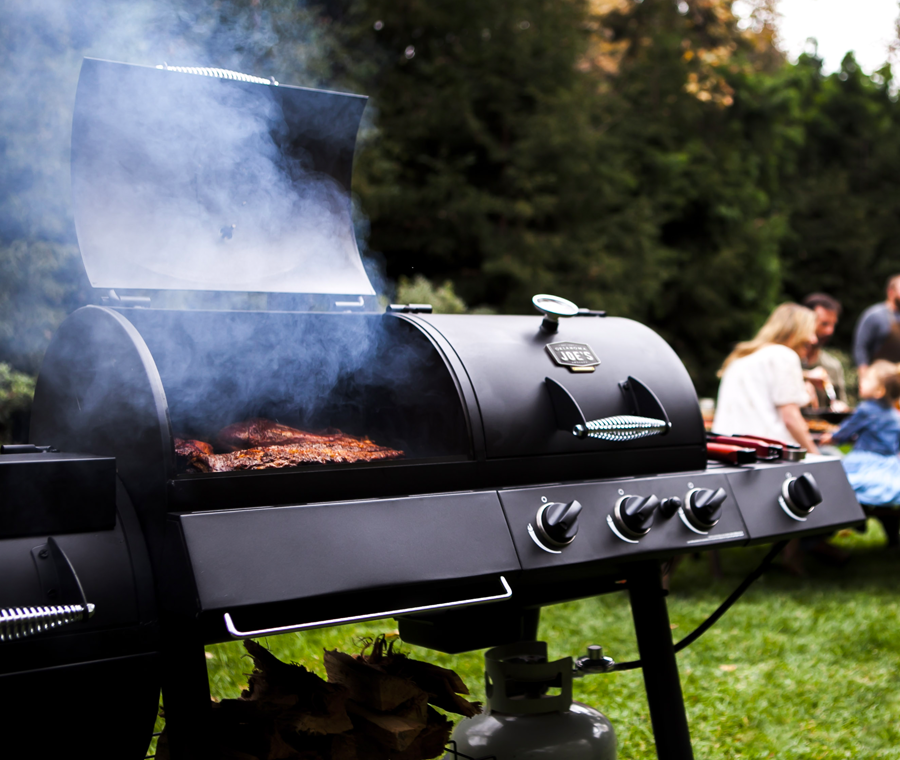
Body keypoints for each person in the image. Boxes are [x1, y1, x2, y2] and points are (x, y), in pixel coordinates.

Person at [713, 303, 819, 454]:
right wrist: (815, 455)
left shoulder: (739, 359)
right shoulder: (784, 355)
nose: (814, 340)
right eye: (811, 332)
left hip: (728, 451)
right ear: (795, 332)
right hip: (766, 454)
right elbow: (791, 419)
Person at [822, 360, 900, 507]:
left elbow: (847, 429)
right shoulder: (896, 415)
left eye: (867, 379)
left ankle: (855, 511)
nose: (861, 381)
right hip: (888, 465)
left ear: (880, 391)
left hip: (864, 460)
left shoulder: (866, 409)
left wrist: (832, 438)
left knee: (841, 482)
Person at [801, 293, 849, 411]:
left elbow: (842, 405)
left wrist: (840, 408)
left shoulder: (832, 366)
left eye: (833, 325)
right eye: (824, 324)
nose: (830, 331)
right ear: (806, 321)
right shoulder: (784, 358)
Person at [852, 274, 900, 377]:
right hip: (878, 378)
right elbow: (860, 347)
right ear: (890, 292)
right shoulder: (874, 315)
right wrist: (865, 377)